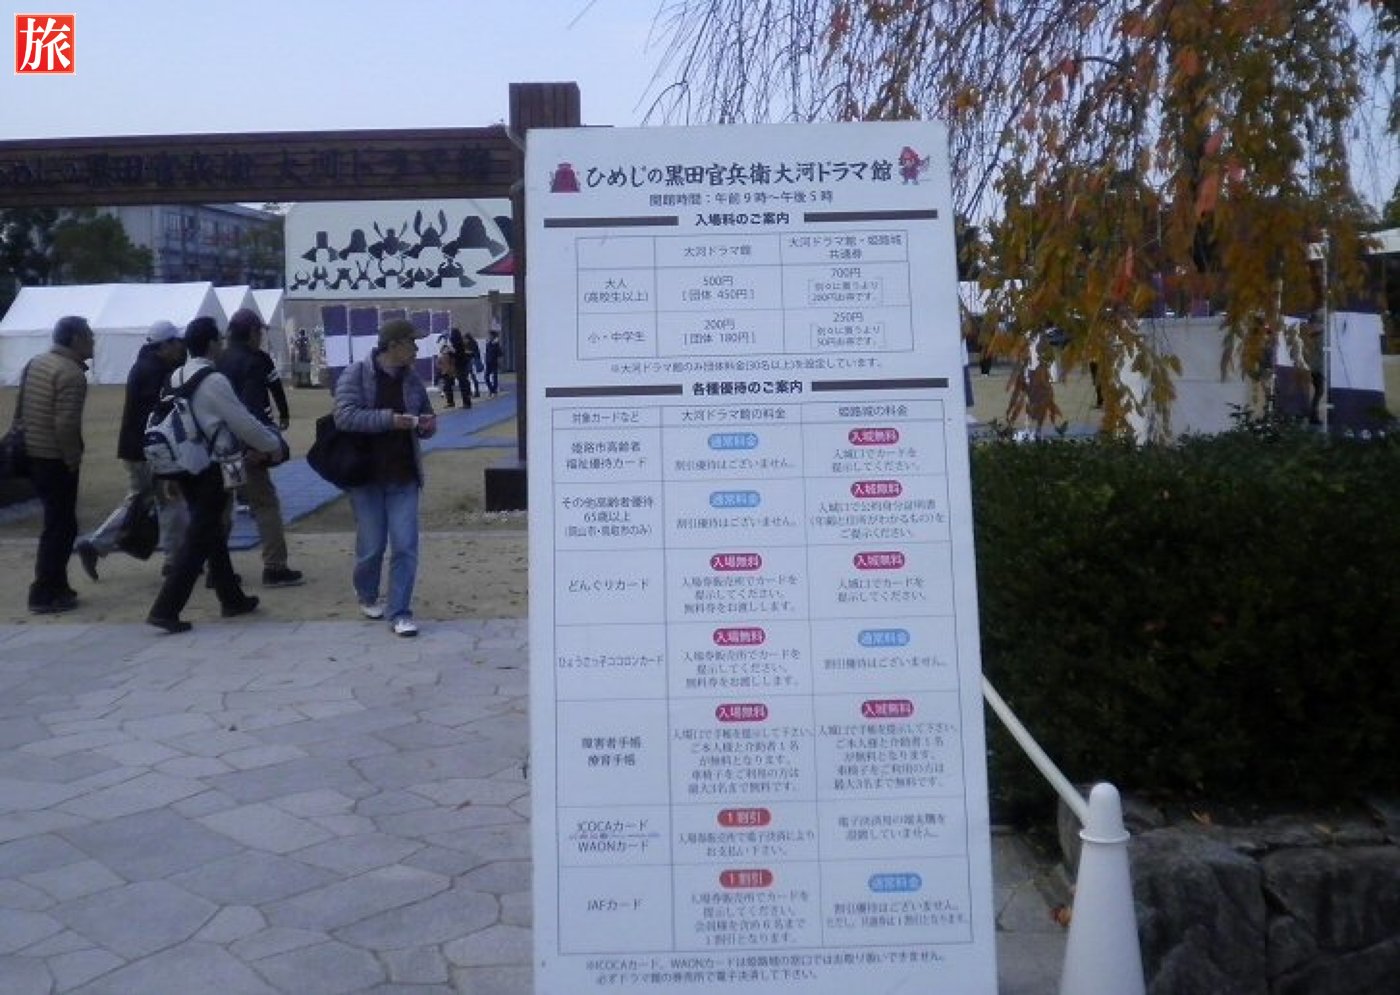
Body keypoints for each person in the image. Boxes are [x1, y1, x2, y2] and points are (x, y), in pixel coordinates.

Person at [146, 317, 288, 634]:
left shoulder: (176, 375)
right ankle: (165, 608)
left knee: (209, 532)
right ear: (212, 343)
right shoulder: (213, 380)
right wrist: (272, 444)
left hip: (182, 463)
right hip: (210, 464)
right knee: (200, 536)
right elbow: (242, 422)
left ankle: (231, 597)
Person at [333, 318, 436, 637]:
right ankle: (366, 592)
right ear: (393, 345)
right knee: (372, 546)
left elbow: (425, 413)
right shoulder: (357, 373)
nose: (416, 349)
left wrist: (426, 425)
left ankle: (400, 612)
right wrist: (389, 420)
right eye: (411, 343)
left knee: (405, 545)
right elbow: (343, 416)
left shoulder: (412, 379)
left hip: (404, 474)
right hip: (366, 474)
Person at [74, 320, 189, 580]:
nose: (180, 347)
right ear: (164, 345)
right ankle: (174, 560)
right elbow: (163, 411)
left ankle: (96, 545)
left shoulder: (146, 365)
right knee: (169, 500)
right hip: (149, 450)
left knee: (141, 499)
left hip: (137, 448)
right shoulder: (156, 371)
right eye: (176, 342)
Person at [217, 307, 304, 587]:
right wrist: (259, 444)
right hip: (247, 445)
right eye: (260, 332)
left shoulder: (219, 360)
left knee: (223, 507)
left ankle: (217, 566)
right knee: (265, 504)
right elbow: (253, 406)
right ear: (253, 333)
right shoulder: (256, 361)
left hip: (224, 446)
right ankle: (275, 566)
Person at [20, 316, 94, 614]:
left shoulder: (38, 362)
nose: (93, 341)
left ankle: (57, 586)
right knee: (61, 527)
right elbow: (65, 424)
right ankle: (45, 591)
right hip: (54, 458)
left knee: (57, 523)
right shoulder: (72, 375)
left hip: (32, 452)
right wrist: (72, 459)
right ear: (75, 339)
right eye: (89, 336)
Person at [448, 327, 473, 409]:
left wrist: (452, 352)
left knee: (463, 384)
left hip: (460, 366)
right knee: (464, 383)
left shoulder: (457, 344)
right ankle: (467, 402)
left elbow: (458, 355)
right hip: (463, 365)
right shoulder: (460, 343)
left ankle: (466, 403)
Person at [436, 338, 458, 407]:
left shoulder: (450, 356)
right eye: (444, 349)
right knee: (447, 387)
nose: (445, 350)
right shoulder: (442, 356)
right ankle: (450, 401)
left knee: (448, 387)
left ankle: (450, 402)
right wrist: (442, 368)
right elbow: (438, 364)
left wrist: (452, 371)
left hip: (449, 373)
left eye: (446, 348)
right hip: (445, 372)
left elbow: (453, 364)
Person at [463, 329, 482, 398]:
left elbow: (474, 352)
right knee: (467, 377)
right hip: (468, 362)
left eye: (465, 339)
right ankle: (470, 392)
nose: (464, 340)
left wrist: (465, 352)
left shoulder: (473, 343)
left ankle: (476, 392)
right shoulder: (466, 344)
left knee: (472, 377)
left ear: (468, 339)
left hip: (472, 362)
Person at [483, 328, 502, 397]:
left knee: (494, 377)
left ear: (493, 336)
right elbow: (486, 352)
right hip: (488, 362)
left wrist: (499, 362)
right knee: (486, 377)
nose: (489, 337)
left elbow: (499, 354)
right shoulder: (488, 343)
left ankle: (494, 391)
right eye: (489, 335)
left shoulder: (496, 344)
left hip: (494, 362)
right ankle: (491, 390)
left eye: (490, 335)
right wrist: (485, 359)